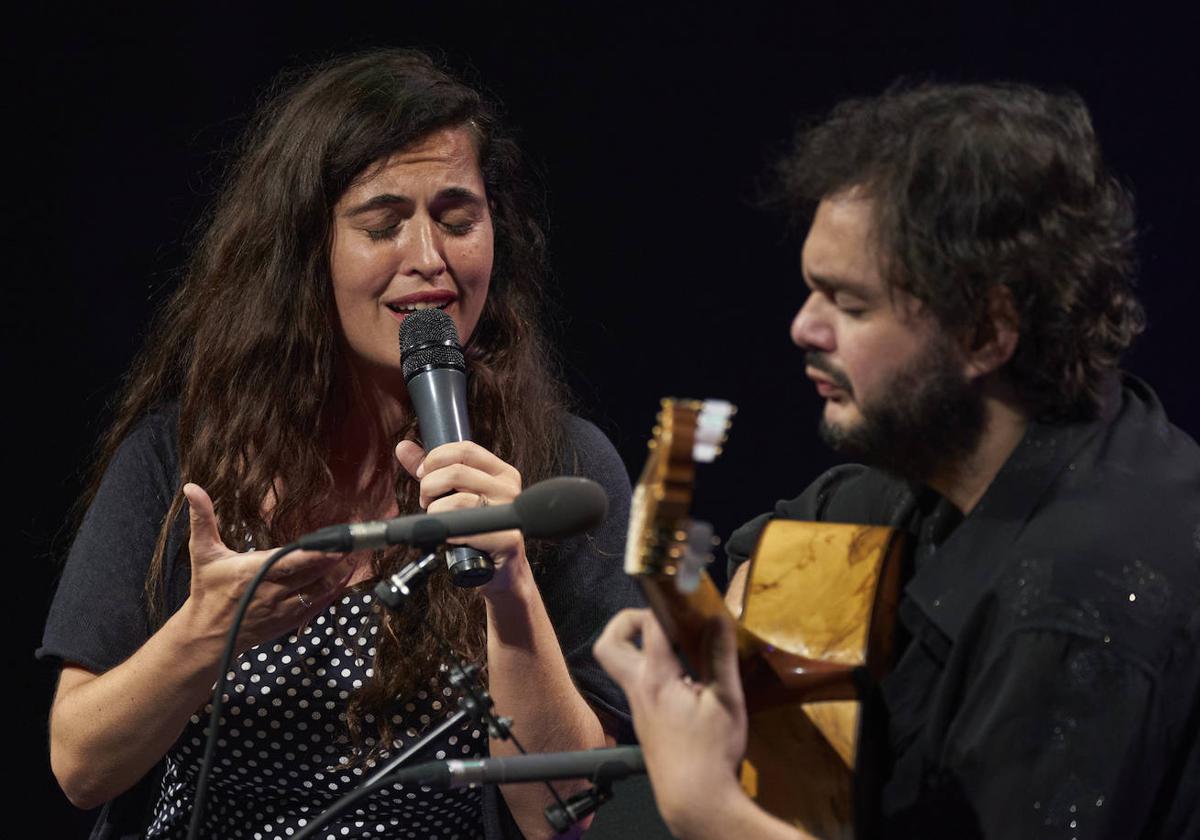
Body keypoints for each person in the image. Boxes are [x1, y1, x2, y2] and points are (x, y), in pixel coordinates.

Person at [40, 49, 641, 840]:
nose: (428, 260)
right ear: (305, 250)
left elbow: (563, 817)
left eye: (458, 219)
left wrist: (511, 593)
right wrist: (204, 637)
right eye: (384, 224)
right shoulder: (183, 456)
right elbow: (80, 767)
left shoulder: (558, 469)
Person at [594, 81, 1200, 839]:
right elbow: (806, 535)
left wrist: (707, 809)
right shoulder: (986, 453)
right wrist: (740, 652)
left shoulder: (1073, 610)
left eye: (849, 305)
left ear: (987, 332)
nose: (802, 327)